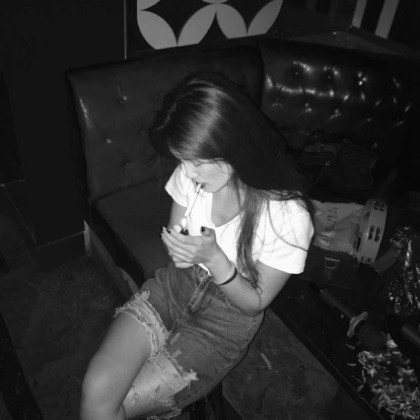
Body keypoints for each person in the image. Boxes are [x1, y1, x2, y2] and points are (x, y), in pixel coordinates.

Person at [80, 72, 314, 420]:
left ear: (234, 145)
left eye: (198, 162)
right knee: (97, 389)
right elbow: (179, 247)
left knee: (123, 402)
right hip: (172, 290)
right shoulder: (191, 175)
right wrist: (180, 248)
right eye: (182, 160)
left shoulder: (287, 216)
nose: (187, 173)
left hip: (222, 327)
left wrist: (215, 258)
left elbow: (254, 304)